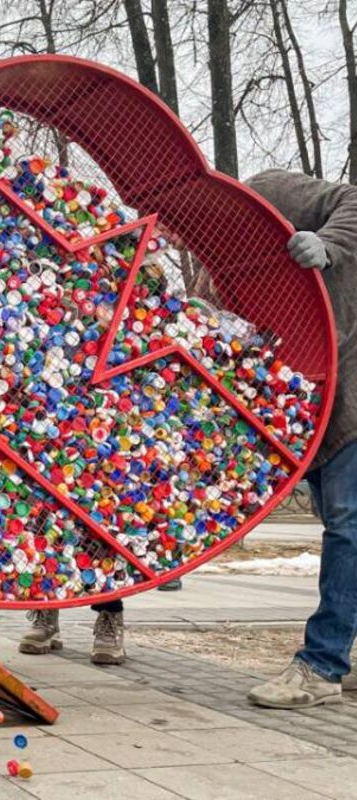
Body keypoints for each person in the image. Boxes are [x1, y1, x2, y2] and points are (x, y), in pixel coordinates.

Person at [244, 169, 357, 709]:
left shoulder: (264, 192)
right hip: (314, 413)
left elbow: (353, 200)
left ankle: (322, 663)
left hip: (351, 395)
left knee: (347, 527)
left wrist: (329, 246)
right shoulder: (222, 264)